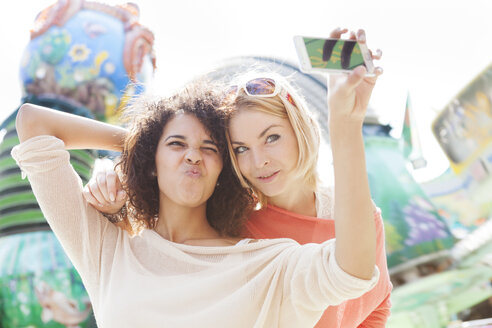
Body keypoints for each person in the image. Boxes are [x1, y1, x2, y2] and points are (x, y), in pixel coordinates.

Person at [87, 28, 391, 327]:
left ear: (302, 128)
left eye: (271, 138)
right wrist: (122, 169)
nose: (259, 162)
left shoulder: (361, 215)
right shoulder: (235, 228)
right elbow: (156, 252)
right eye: (241, 148)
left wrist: (345, 118)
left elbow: (375, 305)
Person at [12, 80, 379, 327]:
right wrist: (143, 144)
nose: (193, 156)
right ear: (151, 163)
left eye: (210, 148)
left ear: (224, 170)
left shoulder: (268, 263)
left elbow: (353, 270)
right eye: (176, 144)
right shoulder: (106, 249)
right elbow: (32, 122)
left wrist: (345, 127)